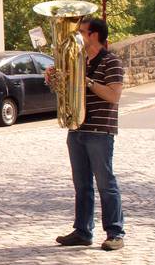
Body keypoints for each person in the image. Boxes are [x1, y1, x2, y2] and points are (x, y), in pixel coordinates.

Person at [48, 15, 126, 251]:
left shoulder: (111, 61)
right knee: (81, 184)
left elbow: (114, 95)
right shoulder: (77, 59)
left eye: (81, 31)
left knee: (105, 182)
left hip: (100, 130)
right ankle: (83, 231)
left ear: (94, 35)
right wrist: (55, 80)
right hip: (77, 127)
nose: (77, 35)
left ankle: (115, 232)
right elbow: (65, 92)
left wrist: (87, 81)